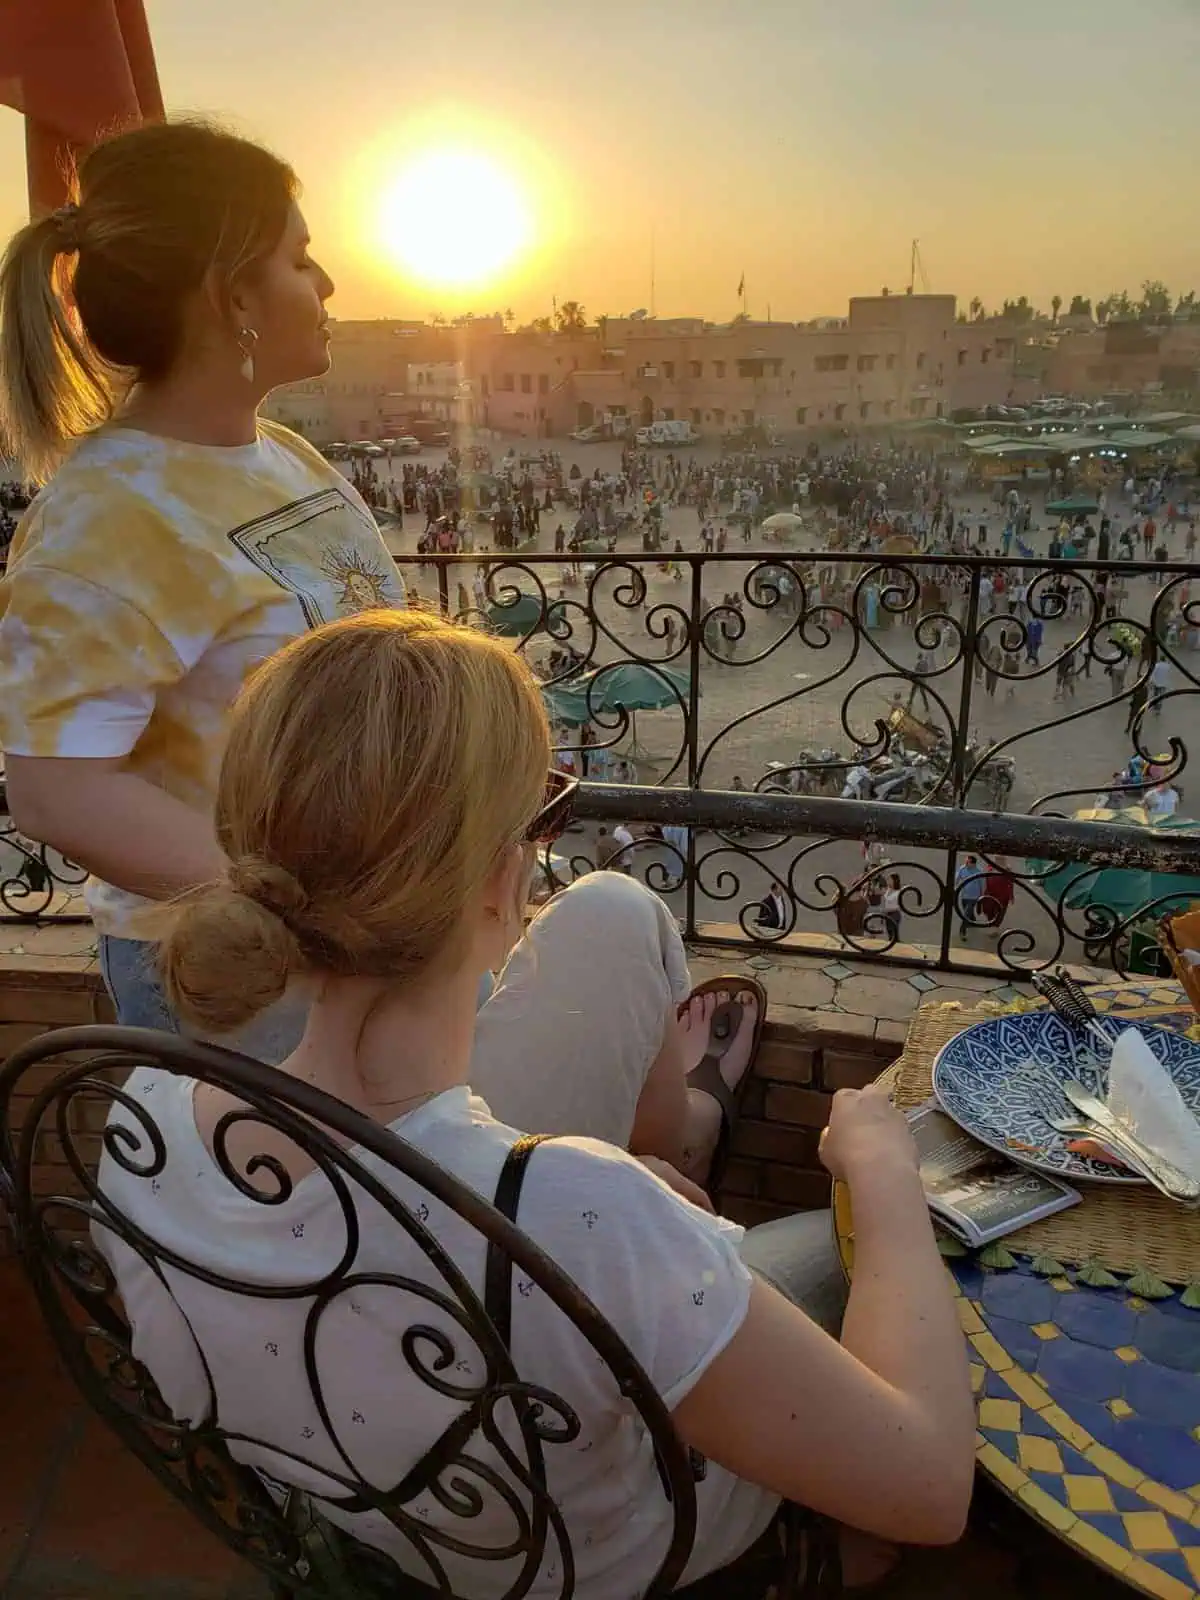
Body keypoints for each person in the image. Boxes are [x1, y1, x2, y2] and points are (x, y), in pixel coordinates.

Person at [97, 612, 974, 1595]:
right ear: (504, 873)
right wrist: (883, 1174)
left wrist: (610, 1212)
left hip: (388, 1513)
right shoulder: (568, 1214)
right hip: (602, 1558)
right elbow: (932, 1487)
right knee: (845, 1246)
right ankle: (793, 1555)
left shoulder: (146, 1120)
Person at [0, 121, 406, 1061]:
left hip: (366, 938)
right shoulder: (102, 519)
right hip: (245, 976)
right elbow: (59, 790)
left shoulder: (281, 454)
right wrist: (289, 911)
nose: (329, 284)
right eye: (300, 259)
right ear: (233, 298)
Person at [955, 855, 985, 937]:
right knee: (967, 912)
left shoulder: (979, 871)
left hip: (974, 897)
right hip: (964, 895)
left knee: (965, 914)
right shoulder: (962, 869)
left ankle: (962, 931)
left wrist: (982, 897)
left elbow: (983, 885)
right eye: (965, 861)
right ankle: (973, 921)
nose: (966, 863)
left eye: (967, 862)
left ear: (973, 864)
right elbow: (957, 879)